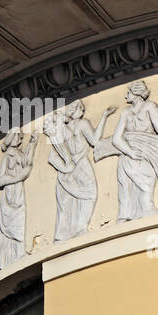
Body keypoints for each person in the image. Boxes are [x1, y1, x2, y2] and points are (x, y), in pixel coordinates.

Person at [108, 80, 158, 220]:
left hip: (138, 154)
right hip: (138, 154)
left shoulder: (145, 108)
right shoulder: (135, 110)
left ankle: (134, 215)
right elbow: (116, 139)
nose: (125, 97)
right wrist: (131, 152)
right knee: (132, 187)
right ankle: (134, 214)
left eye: (128, 93)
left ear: (136, 93)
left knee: (137, 187)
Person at [49, 99, 113, 240]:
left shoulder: (62, 130)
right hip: (80, 167)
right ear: (74, 110)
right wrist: (103, 117)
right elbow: (95, 141)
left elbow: (52, 158)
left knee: (66, 204)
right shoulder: (81, 124)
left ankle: (64, 236)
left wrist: (65, 168)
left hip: (66, 172)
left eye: (83, 108)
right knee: (88, 195)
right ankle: (79, 229)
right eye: (80, 108)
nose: (83, 110)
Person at [0, 129, 39, 273]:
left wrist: (32, 143)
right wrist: (17, 177)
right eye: (18, 135)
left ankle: (18, 254)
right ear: (11, 138)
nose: (20, 137)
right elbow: (1, 180)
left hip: (18, 194)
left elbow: (27, 164)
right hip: (9, 196)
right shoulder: (7, 157)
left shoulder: (18, 154)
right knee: (5, 230)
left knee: (19, 223)